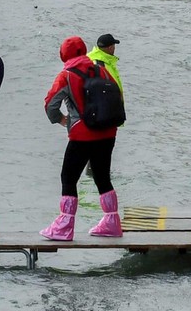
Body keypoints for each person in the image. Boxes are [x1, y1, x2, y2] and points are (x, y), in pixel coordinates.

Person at [41, 36, 122, 241]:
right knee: (102, 176)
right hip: (107, 131)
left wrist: (60, 120)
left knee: (68, 178)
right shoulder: (100, 68)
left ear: (63, 54)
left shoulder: (66, 75)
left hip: (82, 134)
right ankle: (112, 222)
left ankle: (65, 226)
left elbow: (50, 103)